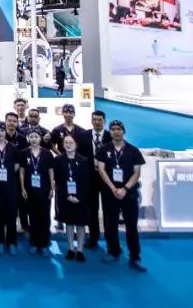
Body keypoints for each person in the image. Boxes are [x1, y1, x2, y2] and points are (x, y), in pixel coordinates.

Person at [96, 120, 146, 272]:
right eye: (113, 129)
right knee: (110, 224)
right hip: (110, 193)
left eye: (119, 129)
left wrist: (124, 188)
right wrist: (113, 188)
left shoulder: (133, 150)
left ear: (124, 131)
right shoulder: (104, 149)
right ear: (110, 132)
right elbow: (101, 169)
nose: (116, 132)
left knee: (131, 226)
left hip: (128, 193)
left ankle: (135, 256)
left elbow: (137, 173)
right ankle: (113, 250)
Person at [55, 134, 92, 262]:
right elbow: (58, 181)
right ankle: (71, 248)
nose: (68, 145)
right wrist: (67, 195)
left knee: (81, 224)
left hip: (80, 198)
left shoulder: (84, 160)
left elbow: (87, 181)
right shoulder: (58, 160)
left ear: (76, 145)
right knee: (69, 224)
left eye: (71, 142)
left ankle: (80, 249)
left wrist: (79, 197)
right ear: (63, 145)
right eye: (66, 142)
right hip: (66, 197)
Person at [0, 123, 21, 256]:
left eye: (2, 130)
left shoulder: (13, 147)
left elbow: (17, 166)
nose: (0, 133)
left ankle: (11, 242)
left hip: (10, 186)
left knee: (11, 214)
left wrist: (8, 174)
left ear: (5, 132)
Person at [19, 130, 54, 255]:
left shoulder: (47, 153)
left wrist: (52, 188)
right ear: (28, 138)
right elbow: (22, 171)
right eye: (31, 137)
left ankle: (44, 244)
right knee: (33, 217)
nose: (33, 139)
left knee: (45, 217)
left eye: (36, 137)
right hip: (30, 190)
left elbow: (51, 171)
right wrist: (22, 188)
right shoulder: (24, 153)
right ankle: (34, 243)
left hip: (44, 189)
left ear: (40, 138)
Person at [85, 110, 111, 250]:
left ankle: (110, 238)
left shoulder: (110, 136)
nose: (97, 122)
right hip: (90, 177)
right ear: (91, 120)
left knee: (108, 209)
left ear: (104, 121)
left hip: (107, 177)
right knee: (91, 209)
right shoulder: (83, 135)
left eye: (100, 120)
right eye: (94, 119)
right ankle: (93, 237)